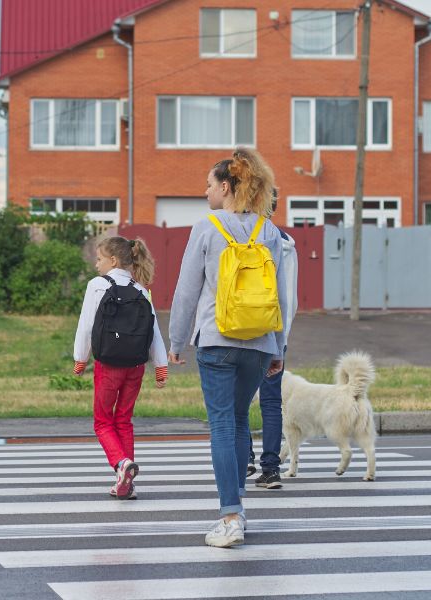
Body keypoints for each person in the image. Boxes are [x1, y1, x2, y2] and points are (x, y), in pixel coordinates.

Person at [168, 148, 290, 547]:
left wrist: (175, 340)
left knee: (221, 423)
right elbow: (281, 296)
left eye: (208, 185)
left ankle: (230, 515)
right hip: (258, 343)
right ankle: (238, 508)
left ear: (225, 186)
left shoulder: (206, 227)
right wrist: (279, 347)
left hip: (217, 340)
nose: (205, 193)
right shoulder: (268, 230)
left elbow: (187, 290)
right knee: (239, 420)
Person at [73, 236, 168, 500]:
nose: (96, 264)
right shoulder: (140, 289)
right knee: (123, 420)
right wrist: (161, 366)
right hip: (135, 366)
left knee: (103, 421)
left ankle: (121, 465)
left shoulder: (97, 286)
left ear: (113, 260)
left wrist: (80, 359)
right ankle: (126, 483)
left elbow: (86, 326)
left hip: (108, 365)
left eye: (99, 259)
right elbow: (154, 331)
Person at [248, 200, 299, 490]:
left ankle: (246, 459)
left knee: (237, 401)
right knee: (270, 402)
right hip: (274, 333)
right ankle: (270, 468)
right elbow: (289, 300)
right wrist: (282, 340)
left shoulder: (241, 236)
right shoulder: (286, 244)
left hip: (242, 331)